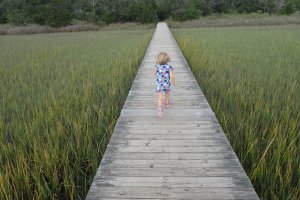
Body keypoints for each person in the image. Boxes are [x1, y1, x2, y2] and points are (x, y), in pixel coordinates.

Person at [154, 52, 175, 116]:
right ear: (167, 59)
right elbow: (172, 76)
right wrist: (173, 82)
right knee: (167, 93)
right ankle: (167, 103)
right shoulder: (169, 67)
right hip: (166, 84)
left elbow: (154, 73)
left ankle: (160, 108)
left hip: (159, 85)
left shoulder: (157, 66)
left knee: (160, 97)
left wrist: (157, 73)